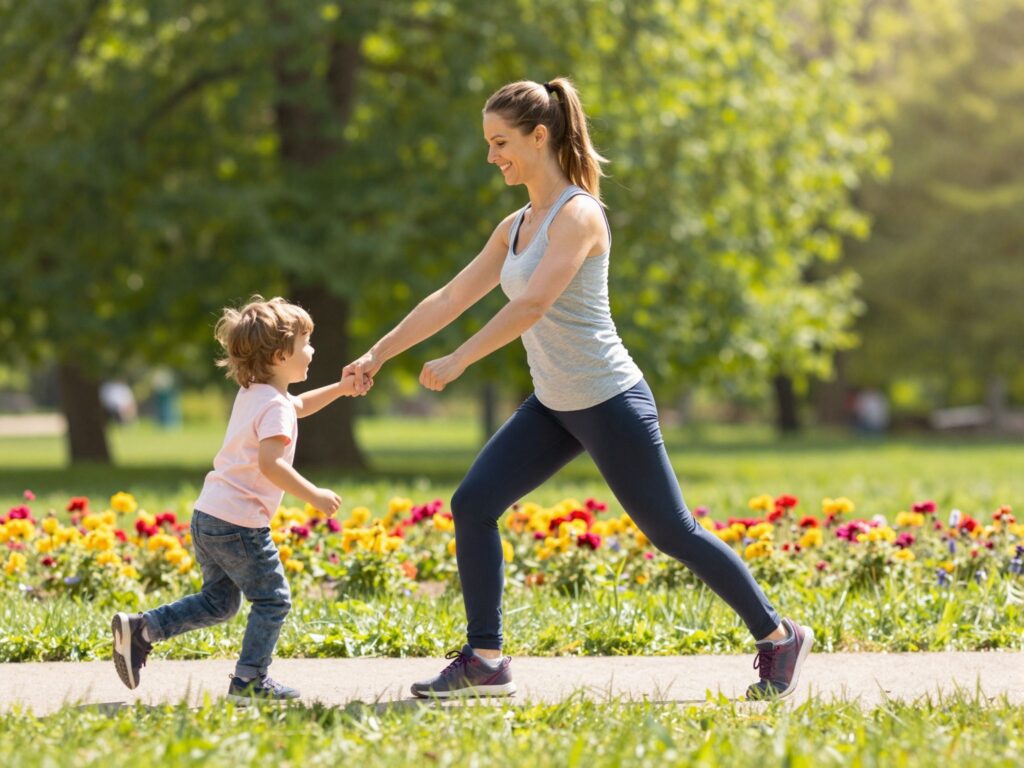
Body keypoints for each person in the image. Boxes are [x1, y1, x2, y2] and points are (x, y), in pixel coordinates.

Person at [347, 78, 815, 701]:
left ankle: (778, 635)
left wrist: (460, 359)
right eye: (489, 144)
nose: (493, 157)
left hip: (608, 398)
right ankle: (486, 659)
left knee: (673, 532)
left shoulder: (579, 214)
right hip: (554, 405)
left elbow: (536, 302)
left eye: (501, 142)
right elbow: (450, 297)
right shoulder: (514, 225)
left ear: (540, 136)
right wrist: (378, 354)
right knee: (474, 504)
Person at [112, 296, 365, 704]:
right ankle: (250, 680)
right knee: (273, 599)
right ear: (282, 355)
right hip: (241, 525)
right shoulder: (274, 407)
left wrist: (341, 388)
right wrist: (313, 495)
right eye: (306, 343)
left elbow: (297, 406)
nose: (313, 350)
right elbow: (271, 464)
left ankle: (142, 628)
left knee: (218, 602)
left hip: (209, 515)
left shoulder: (257, 393)